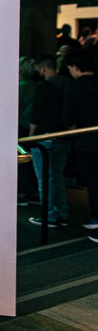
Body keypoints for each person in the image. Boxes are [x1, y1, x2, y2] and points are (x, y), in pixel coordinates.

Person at [27, 56, 71, 227]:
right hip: (63, 136)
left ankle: (49, 215)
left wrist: (32, 136)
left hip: (44, 137)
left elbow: (36, 114)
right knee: (58, 176)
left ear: (44, 69)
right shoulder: (68, 84)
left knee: (45, 178)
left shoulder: (43, 87)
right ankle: (62, 212)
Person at [61, 51, 98, 235]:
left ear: (75, 68)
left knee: (93, 181)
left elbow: (69, 118)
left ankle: (96, 217)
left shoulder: (75, 87)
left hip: (87, 142)